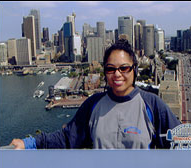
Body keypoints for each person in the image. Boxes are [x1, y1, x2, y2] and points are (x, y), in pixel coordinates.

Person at [10, 39, 180, 149]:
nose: (117, 74)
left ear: (134, 70)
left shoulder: (152, 104)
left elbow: (179, 140)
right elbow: (67, 138)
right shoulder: (93, 104)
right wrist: (29, 143)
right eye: (111, 69)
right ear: (105, 72)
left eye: (124, 68)